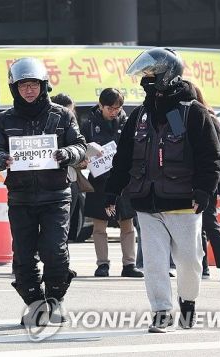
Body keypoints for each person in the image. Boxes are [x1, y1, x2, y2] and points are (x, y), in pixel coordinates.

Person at [105, 47, 220, 333]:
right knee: (155, 263)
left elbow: (210, 156)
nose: (145, 79)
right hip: (147, 202)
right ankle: (161, 311)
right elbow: (122, 158)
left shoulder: (192, 113)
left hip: (184, 202)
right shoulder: (139, 115)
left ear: (167, 75)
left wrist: (205, 190)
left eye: (150, 74)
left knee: (190, 262)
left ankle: (188, 300)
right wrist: (112, 192)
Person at [0, 58, 86, 325]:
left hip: (56, 195)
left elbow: (80, 146)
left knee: (55, 249)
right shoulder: (5, 119)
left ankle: (55, 299)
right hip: (20, 196)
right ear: (14, 89)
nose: (28, 90)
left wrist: (67, 153)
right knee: (23, 252)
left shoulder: (62, 115)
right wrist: (0, 159)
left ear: (44, 86)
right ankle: (34, 303)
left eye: (33, 85)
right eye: (23, 86)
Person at [81, 88, 143, 278]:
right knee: (100, 226)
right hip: (100, 181)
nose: (114, 111)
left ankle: (129, 264)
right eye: (110, 108)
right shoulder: (88, 124)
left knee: (127, 224)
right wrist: (88, 151)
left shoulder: (127, 122)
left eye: (118, 107)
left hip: (123, 181)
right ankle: (102, 264)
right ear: (100, 105)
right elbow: (79, 149)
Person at [190, 84, 220, 282]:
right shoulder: (212, 117)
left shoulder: (201, 117)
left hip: (203, 178)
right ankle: (211, 267)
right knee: (205, 224)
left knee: (206, 223)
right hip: (211, 178)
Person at [50, 93, 87, 243]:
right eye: (68, 110)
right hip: (53, 182)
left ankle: (62, 262)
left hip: (72, 180)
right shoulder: (49, 127)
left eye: (72, 110)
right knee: (56, 227)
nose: (71, 114)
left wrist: (81, 158)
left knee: (66, 227)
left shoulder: (73, 129)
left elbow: (79, 149)